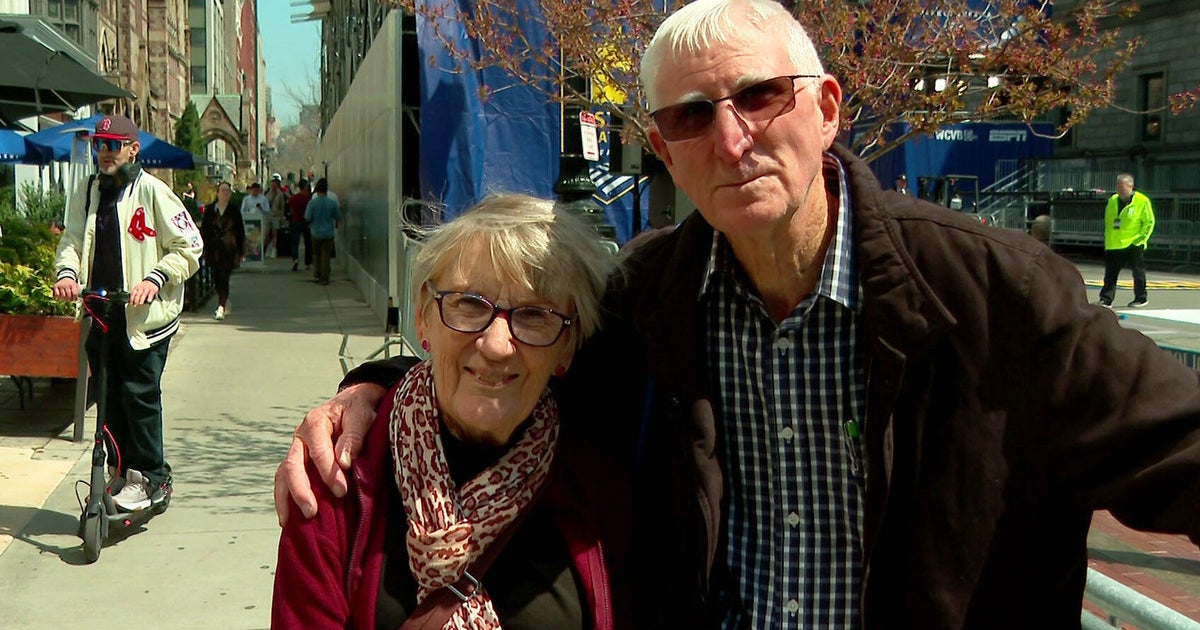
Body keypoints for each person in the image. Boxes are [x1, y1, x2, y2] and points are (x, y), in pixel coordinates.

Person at [276, 0, 1200, 627]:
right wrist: (376, 389)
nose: (731, 137)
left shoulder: (992, 292)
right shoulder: (649, 299)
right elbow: (512, 359)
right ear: (661, 147)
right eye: (689, 115)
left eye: (761, 96)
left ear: (827, 108)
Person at [271, 194, 629, 629]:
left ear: (567, 346)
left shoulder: (603, 490)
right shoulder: (336, 481)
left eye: (535, 315)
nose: (496, 346)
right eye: (470, 303)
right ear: (423, 316)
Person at [52, 114, 203, 512]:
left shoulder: (154, 191)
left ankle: (150, 476)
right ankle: (118, 471)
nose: (104, 153)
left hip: (144, 318)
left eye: (112, 145)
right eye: (98, 145)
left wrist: (155, 279)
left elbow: (189, 246)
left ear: (133, 149)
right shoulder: (88, 191)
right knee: (108, 397)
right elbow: (71, 240)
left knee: (139, 395)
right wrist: (66, 273)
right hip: (102, 311)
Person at [1098, 173, 1155, 308]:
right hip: (1114, 243)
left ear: (1131, 186)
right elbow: (1109, 221)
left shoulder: (1142, 201)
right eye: (1118, 187)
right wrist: (1107, 239)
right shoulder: (1113, 200)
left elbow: (1149, 222)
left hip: (1133, 242)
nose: (1120, 190)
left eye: (1122, 187)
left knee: (1138, 272)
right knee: (1110, 274)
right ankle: (1106, 299)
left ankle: (1140, 297)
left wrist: (1141, 239)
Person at [199, 181, 244, 320]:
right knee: (216, 276)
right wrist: (202, 248)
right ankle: (223, 300)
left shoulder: (234, 210)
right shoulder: (210, 210)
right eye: (222, 190)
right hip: (213, 249)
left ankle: (221, 305)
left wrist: (241, 251)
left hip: (229, 249)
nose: (225, 193)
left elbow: (240, 231)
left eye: (227, 191)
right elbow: (204, 230)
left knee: (224, 276)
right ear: (218, 193)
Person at [305, 177, 340, 285]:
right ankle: (325, 277)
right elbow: (337, 216)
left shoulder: (312, 203)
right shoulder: (332, 203)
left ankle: (317, 274)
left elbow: (307, 217)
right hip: (328, 233)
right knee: (326, 255)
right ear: (326, 190)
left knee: (316, 254)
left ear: (317, 190)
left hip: (315, 232)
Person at [286, 179, 312, 272]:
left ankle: (295, 259)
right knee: (308, 243)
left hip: (295, 221)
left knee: (295, 243)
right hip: (306, 222)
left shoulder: (293, 198)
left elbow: (290, 209)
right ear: (305, 187)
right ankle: (308, 263)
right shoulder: (308, 198)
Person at [241, 181, 270, 257]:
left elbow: (267, 210)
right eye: (254, 190)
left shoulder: (263, 199)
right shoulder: (247, 199)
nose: (255, 192)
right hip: (250, 220)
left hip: (261, 220)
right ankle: (252, 253)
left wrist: (261, 208)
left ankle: (260, 253)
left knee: (261, 238)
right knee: (251, 238)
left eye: (257, 190)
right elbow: (243, 210)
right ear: (251, 190)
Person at [267, 174, 290, 258]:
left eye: (275, 184)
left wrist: (282, 217)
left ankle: (274, 249)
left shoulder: (280, 194)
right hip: (268, 215)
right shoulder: (268, 193)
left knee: (274, 233)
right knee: (267, 233)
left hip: (276, 216)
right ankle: (269, 248)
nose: (273, 185)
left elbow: (282, 206)